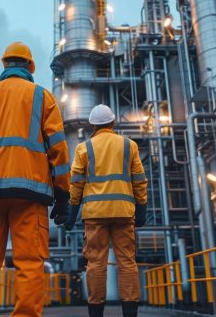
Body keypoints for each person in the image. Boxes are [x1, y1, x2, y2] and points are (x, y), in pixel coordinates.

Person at [0, 42, 70, 317]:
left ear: (4, 66)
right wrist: (62, 193)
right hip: (30, 195)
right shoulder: (42, 97)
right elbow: (58, 148)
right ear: (30, 67)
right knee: (29, 263)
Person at [65, 104, 148, 317]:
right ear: (112, 122)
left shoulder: (83, 148)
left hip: (95, 215)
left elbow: (76, 183)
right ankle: (130, 312)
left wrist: (72, 211)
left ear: (93, 125)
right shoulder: (129, 146)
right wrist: (142, 209)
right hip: (123, 212)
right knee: (127, 261)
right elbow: (139, 180)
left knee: (95, 264)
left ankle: (96, 312)